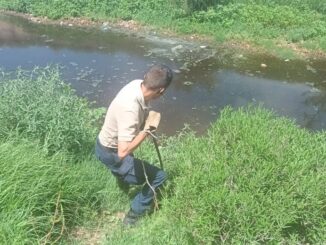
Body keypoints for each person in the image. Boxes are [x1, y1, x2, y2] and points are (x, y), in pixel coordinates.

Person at [95, 64, 173, 225]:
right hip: (112, 153)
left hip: (104, 143)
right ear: (161, 91)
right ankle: (134, 215)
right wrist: (147, 130)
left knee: (132, 164)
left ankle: (122, 180)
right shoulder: (129, 108)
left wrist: (145, 120)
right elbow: (123, 152)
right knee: (160, 177)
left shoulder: (137, 84)